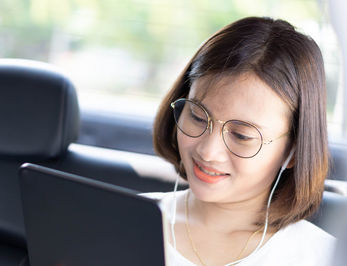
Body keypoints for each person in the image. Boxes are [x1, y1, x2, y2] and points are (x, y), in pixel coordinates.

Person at [143, 16, 335, 266]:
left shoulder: (324, 256)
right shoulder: (116, 218)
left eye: (242, 135)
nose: (208, 151)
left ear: (294, 151)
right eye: (198, 117)